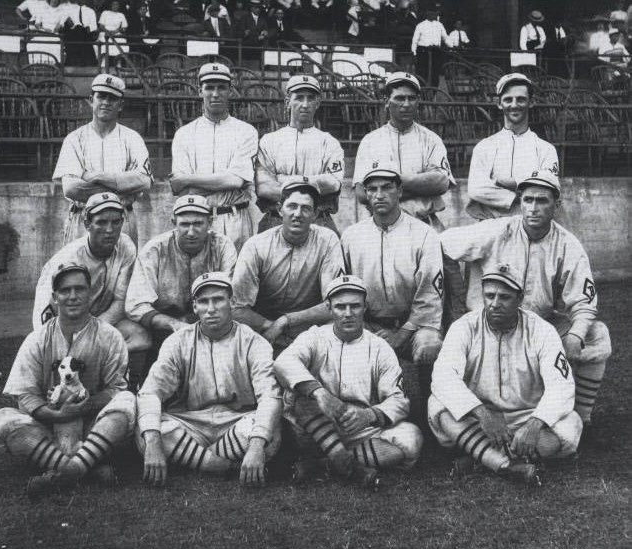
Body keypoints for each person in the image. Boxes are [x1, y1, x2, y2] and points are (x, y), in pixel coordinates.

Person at [440, 171, 612, 444]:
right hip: (487, 322)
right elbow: (443, 245)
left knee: (597, 335)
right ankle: (483, 423)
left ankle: (582, 416)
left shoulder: (568, 244)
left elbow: (583, 301)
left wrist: (576, 334)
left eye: (541, 201)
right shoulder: (497, 229)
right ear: (520, 202)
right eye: (527, 199)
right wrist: (459, 306)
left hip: (538, 326)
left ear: (557, 205)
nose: (533, 207)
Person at [0, 263, 136, 498]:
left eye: (80, 289)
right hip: (49, 431)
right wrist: (59, 415)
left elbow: (116, 390)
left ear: (91, 293)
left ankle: (64, 471)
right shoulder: (37, 339)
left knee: (127, 402)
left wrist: (85, 405)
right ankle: (84, 468)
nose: (73, 296)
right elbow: (25, 397)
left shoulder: (110, 336)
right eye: (65, 290)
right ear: (55, 297)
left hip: (92, 428)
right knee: (2, 419)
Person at [429, 263, 582, 486]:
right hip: (478, 419)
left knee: (571, 424)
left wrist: (535, 424)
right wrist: (482, 414)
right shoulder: (464, 327)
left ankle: (482, 458)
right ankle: (509, 465)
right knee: (438, 407)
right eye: (489, 295)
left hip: (526, 415)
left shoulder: (542, 330)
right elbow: (444, 377)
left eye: (505, 297)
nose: (495, 304)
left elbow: (562, 385)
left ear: (519, 299)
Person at [274, 275, 423, 489]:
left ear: (365, 307)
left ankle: (326, 463)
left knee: (412, 440)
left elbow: (399, 400)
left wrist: (369, 415)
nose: (347, 313)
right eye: (340, 307)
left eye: (354, 306)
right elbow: (283, 362)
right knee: (300, 398)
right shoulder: (314, 336)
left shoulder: (380, 347)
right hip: (317, 422)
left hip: (360, 427)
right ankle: (352, 467)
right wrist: (320, 393)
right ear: (329, 308)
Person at [136, 272, 283, 487]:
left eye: (218, 300)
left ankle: (194, 460)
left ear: (232, 302)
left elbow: (270, 397)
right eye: (203, 301)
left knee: (267, 430)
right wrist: (152, 443)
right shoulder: (177, 341)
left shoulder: (254, 341)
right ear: (195, 307)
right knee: (150, 432)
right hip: (190, 422)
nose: (211, 308)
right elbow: (151, 392)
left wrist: (256, 445)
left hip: (237, 421)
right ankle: (220, 465)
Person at [341, 163, 443, 426]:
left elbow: (429, 297)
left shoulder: (424, 234)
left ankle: (431, 417)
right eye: (372, 189)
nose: (379, 195)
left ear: (399, 191)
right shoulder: (352, 236)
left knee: (430, 347)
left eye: (386, 188)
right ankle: (363, 416)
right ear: (365, 194)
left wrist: (401, 335)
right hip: (369, 324)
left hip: (412, 326)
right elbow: (344, 293)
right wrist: (364, 328)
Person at [124, 195, 237, 381]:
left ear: (210, 222)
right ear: (173, 222)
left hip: (210, 321)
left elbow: (232, 296)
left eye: (198, 223)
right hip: (164, 327)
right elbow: (136, 305)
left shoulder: (223, 246)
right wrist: (173, 324)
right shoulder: (155, 249)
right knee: (156, 379)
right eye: (184, 224)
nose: (191, 232)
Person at [32, 192, 150, 358]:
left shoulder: (126, 246)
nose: (109, 230)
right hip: (67, 326)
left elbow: (119, 301)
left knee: (140, 337)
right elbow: (43, 312)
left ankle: (108, 364)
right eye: (101, 222)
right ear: (87, 223)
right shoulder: (67, 258)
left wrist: (94, 332)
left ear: (123, 222)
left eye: (115, 222)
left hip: (101, 321)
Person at [232, 180, 344, 351]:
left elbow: (334, 302)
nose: (297, 214)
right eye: (291, 206)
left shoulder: (327, 240)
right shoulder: (256, 245)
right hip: (263, 331)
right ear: (279, 209)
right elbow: (236, 307)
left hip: (311, 330)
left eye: (306, 208)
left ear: (315, 214)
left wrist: (286, 321)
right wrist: (272, 326)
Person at [53, 73, 152, 246]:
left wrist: (97, 177)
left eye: (112, 98)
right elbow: (71, 188)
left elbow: (144, 182)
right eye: (101, 96)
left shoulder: (132, 138)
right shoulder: (74, 139)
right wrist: (123, 185)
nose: (106, 102)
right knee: (79, 271)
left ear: (120, 105)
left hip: (121, 219)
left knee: (123, 271)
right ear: (91, 99)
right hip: (84, 218)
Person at [170, 63, 259, 251]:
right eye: (209, 87)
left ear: (231, 91)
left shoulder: (246, 131)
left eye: (221, 87)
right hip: (197, 220)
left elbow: (235, 180)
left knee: (235, 278)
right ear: (199, 91)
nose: (215, 94)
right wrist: (222, 181)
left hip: (235, 218)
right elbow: (181, 190)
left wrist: (188, 179)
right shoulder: (184, 133)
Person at [353, 71, 455, 233]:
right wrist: (419, 184)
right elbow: (361, 193)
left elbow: (441, 183)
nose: (406, 104)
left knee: (447, 255)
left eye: (411, 98)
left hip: (424, 223)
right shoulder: (370, 141)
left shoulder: (431, 139)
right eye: (400, 98)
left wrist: (388, 185)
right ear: (387, 101)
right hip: (381, 226)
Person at [255, 74, 344, 234]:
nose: (305, 104)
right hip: (276, 220)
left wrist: (285, 180)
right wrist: (315, 184)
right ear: (287, 101)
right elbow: (264, 188)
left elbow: (333, 184)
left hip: (319, 220)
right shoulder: (269, 141)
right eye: (299, 98)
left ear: (318, 103)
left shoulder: (329, 142)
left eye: (310, 98)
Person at [466, 73, 559, 220]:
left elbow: (547, 188)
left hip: (529, 226)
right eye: (508, 99)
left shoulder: (546, 149)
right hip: (491, 225)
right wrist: (518, 196)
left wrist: (512, 182)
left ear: (531, 102)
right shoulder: (484, 146)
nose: (514, 105)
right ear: (499, 103)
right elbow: (476, 190)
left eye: (521, 99)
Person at [411, 8, 449, 86]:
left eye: (435, 13)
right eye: (432, 13)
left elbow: (445, 38)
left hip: (436, 52)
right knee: (422, 73)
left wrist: (453, 46)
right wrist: (414, 53)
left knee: (435, 74)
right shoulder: (420, 25)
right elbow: (414, 41)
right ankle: (422, 92)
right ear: (427, 13)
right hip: (423, 52)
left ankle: (433, 94)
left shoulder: (439, 25)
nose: (434, 15)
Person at [97, 0, 129, 66]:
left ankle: (118, 63)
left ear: (119, 6)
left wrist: (116, 31)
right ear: (111, 5)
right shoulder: (105, 13)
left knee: (122, 42)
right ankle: (103, 64)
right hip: (105, 33)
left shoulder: (121, 15)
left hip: (116, 33)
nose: (115, 6)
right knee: (104, 43)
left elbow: (124, 27)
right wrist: (108, 32)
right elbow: (101, 26)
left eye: (117, 4)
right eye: (113, 4)